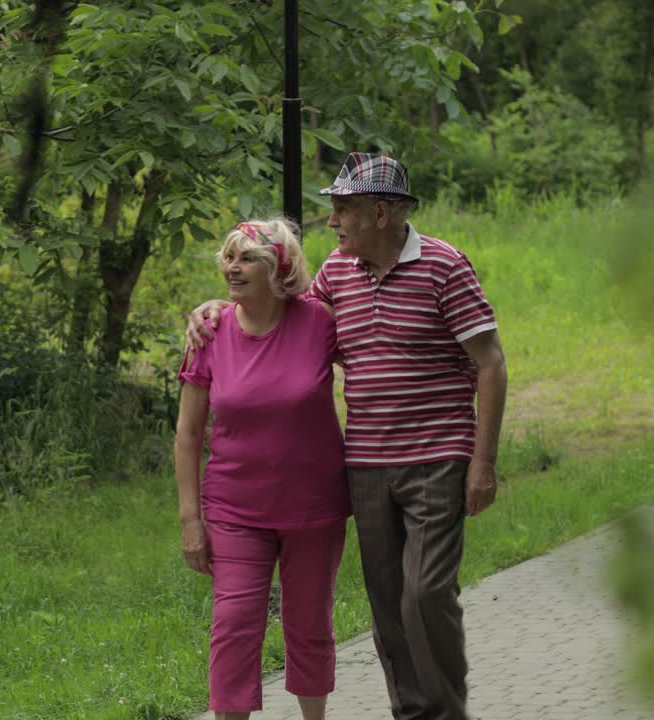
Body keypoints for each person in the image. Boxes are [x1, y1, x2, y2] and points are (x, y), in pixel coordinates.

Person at [186, 153, 508, 720]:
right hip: (364, 463)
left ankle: (445, 713)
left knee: (425, 594)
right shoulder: (338, 273)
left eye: (344, 210)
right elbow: (280, 319)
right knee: (387, 604)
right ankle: (411, 711)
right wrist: (217, 307)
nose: (332, 222)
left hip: (437, 454)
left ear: (381, 212)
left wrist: (483, 464)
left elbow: (491, 363)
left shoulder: (444, 266)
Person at [175, 218, 351, 720]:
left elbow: (375, 357)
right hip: (235, 509)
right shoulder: (209, 332)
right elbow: (187, 435)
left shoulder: (319, 321)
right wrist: (192, 521)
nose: (233, 267)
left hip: (315, 508)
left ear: (280, 268)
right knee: (233, 624)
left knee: (309, 624)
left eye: (247, 257)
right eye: (229, 256)